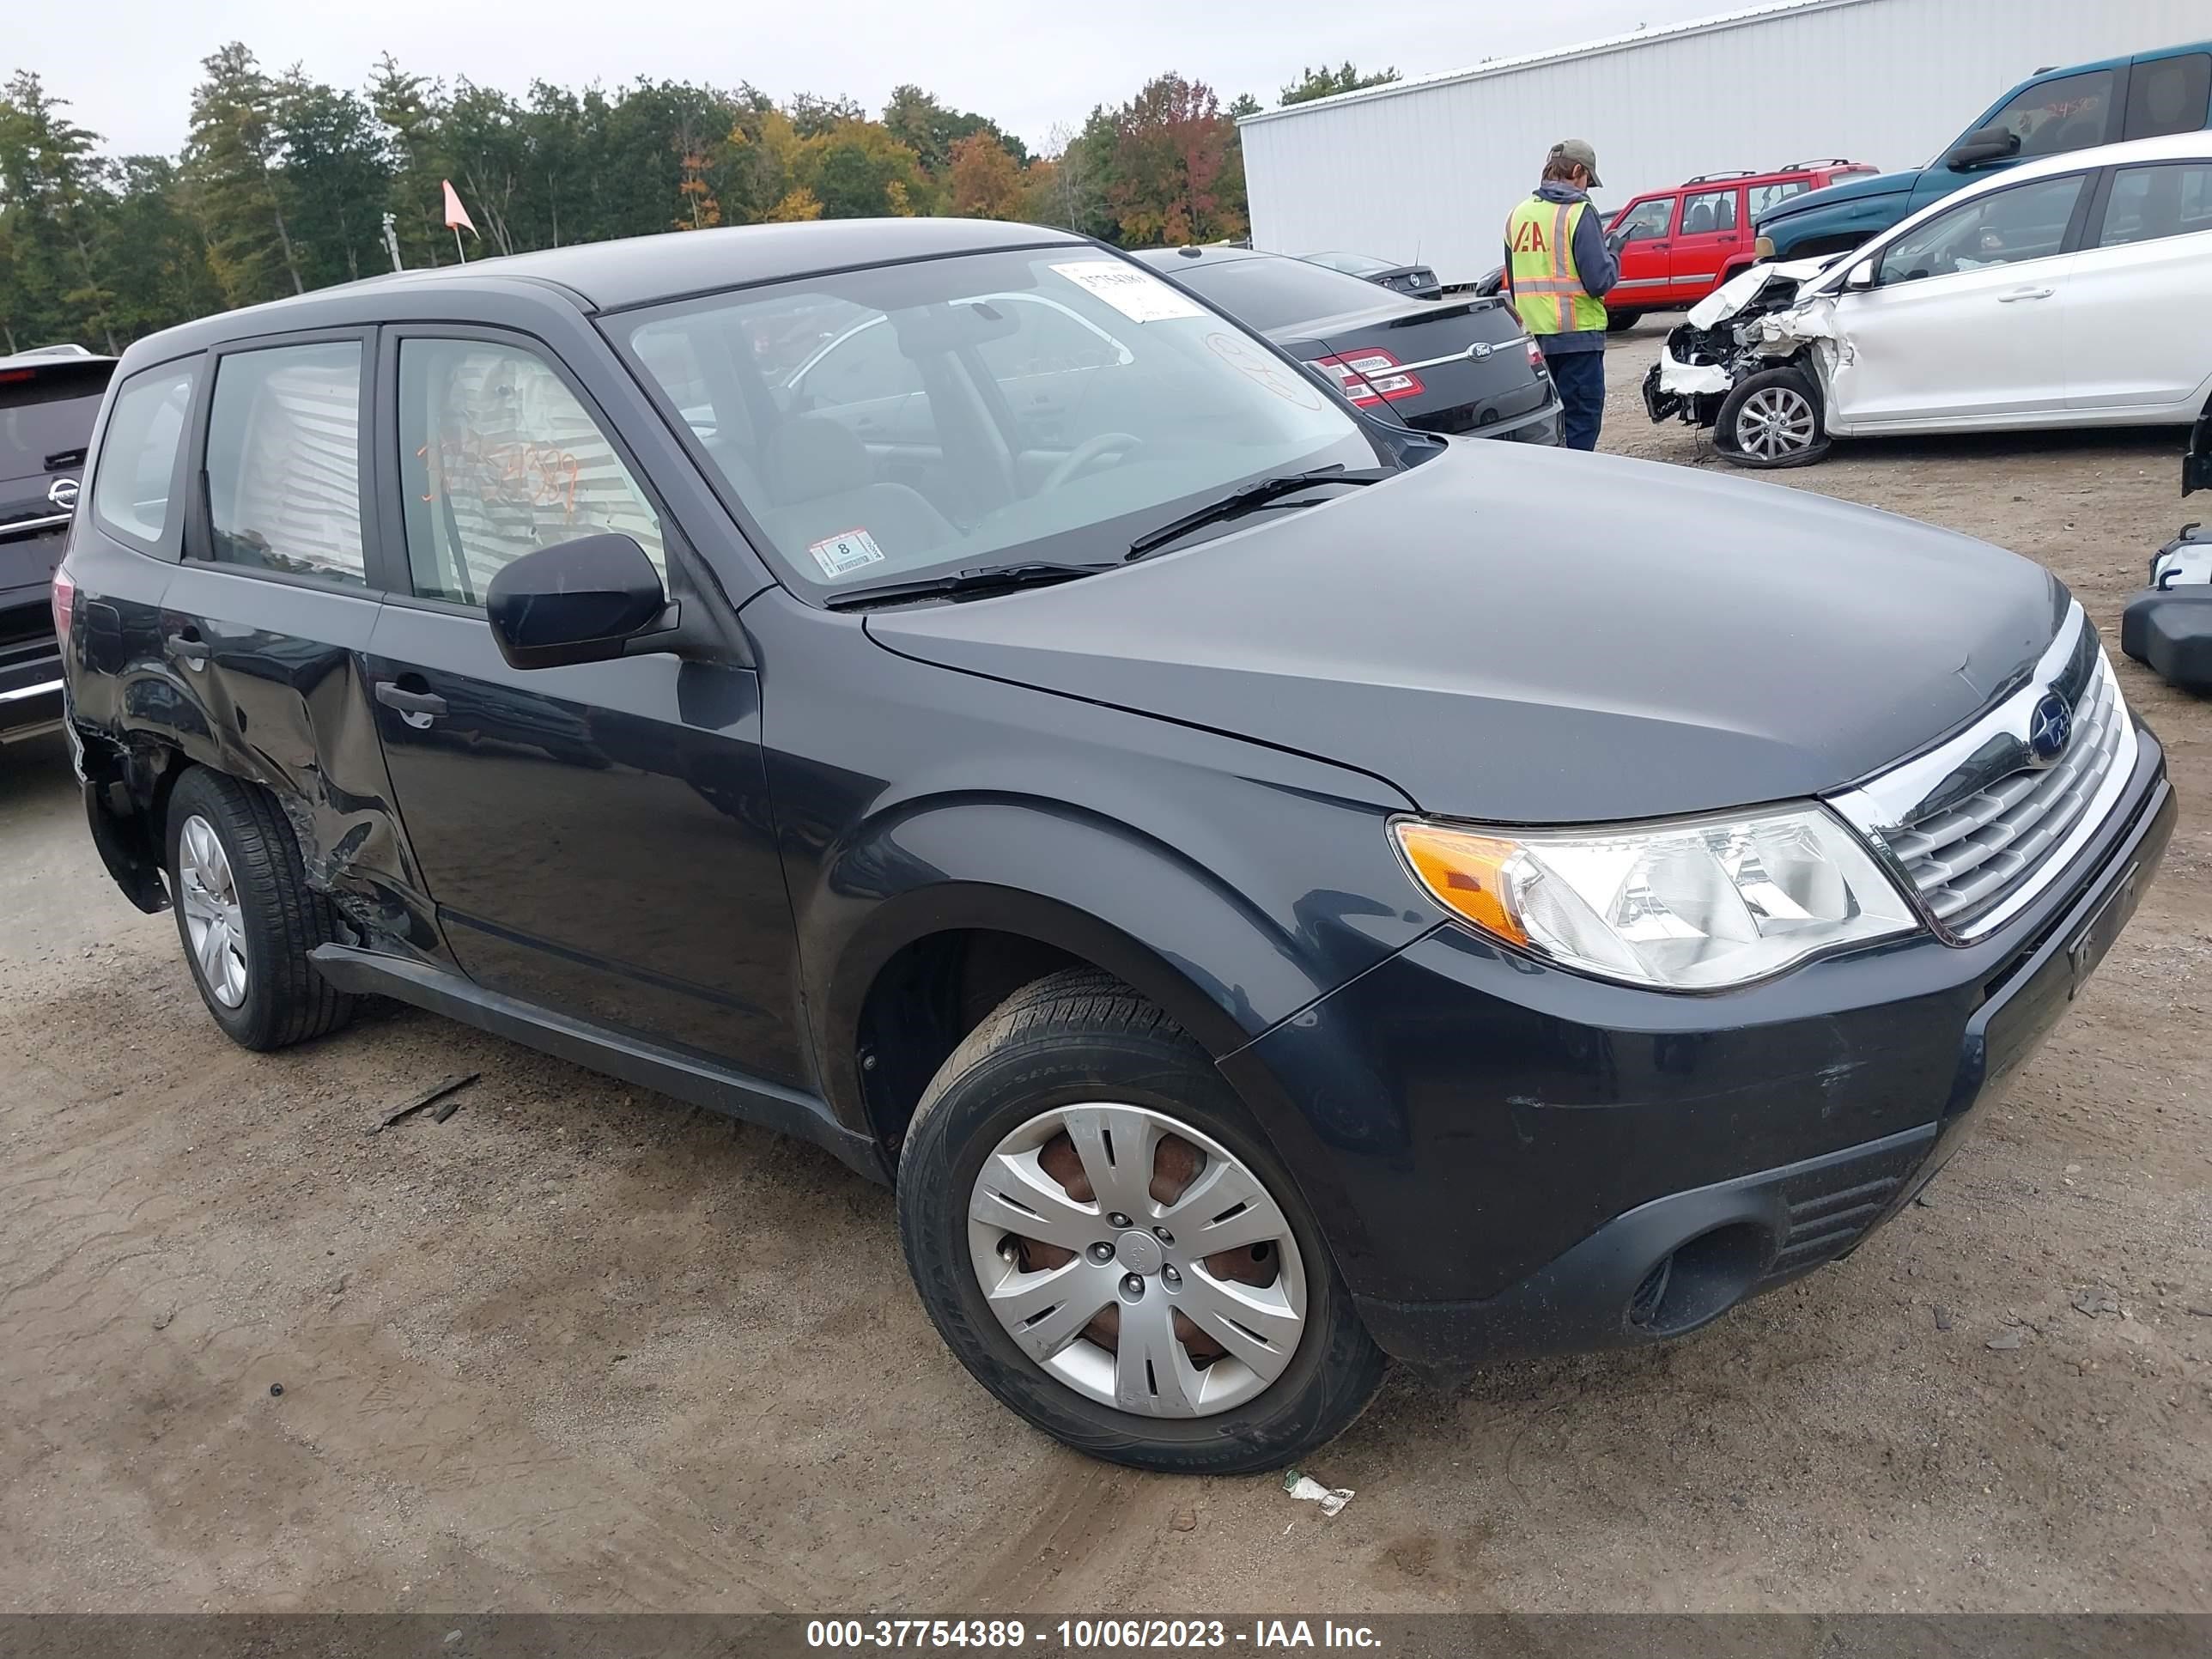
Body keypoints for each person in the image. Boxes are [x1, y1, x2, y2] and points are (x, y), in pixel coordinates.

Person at [1504, 140, 1620, 452]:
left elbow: (1515, 283)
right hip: (1579, 339)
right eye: (1587, 181)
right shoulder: (1579, 213)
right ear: (1578, 170)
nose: (1587, 189)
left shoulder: (1517, 215)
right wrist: (1614, 254)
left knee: (1545, 425)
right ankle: (1576, 488)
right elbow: (1599, 281)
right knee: (1581, 423)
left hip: (1535, 342)